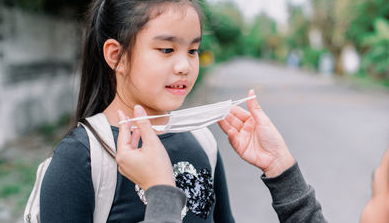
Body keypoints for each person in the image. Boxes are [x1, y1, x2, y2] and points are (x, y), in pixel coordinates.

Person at [40, 0, 234, 222]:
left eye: (193, 50)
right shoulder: (80, 159)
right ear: (116, 56)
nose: (184, 66)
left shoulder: (203, 142)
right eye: (167, 50)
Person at [119, 90, 389, 223]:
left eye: (376, 192)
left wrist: (162, 192)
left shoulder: (202, 144)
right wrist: (280, 168)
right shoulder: (84, 151)